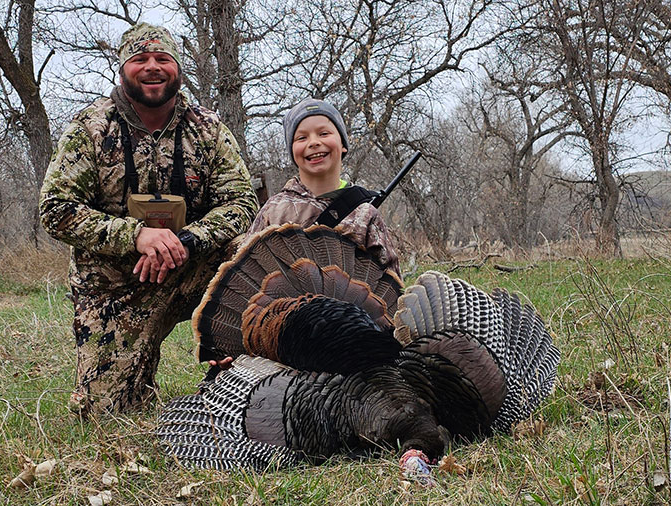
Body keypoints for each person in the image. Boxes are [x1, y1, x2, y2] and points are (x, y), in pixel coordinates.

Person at [39, 22, 258, 415]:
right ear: (123, 69)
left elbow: (242, 203)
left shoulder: (207, 129)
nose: (152, 67)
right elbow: (56, 208)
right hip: (115, 289)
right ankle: (130, 377)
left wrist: (187, 240)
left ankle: (238, 372)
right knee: (104, 413)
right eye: (140, 59)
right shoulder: (90, 128)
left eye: (163, 59)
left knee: (250, 253)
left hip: (193, 269)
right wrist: (136, 236)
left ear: (177, 68)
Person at [248, 98, 400, 275]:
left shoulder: (364, 213)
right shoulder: (274, 210)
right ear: (292, 151)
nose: (313, 142)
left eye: (324, 134)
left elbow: (391, 285)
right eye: (302, 137)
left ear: (343, 144)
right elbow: (246, 275)